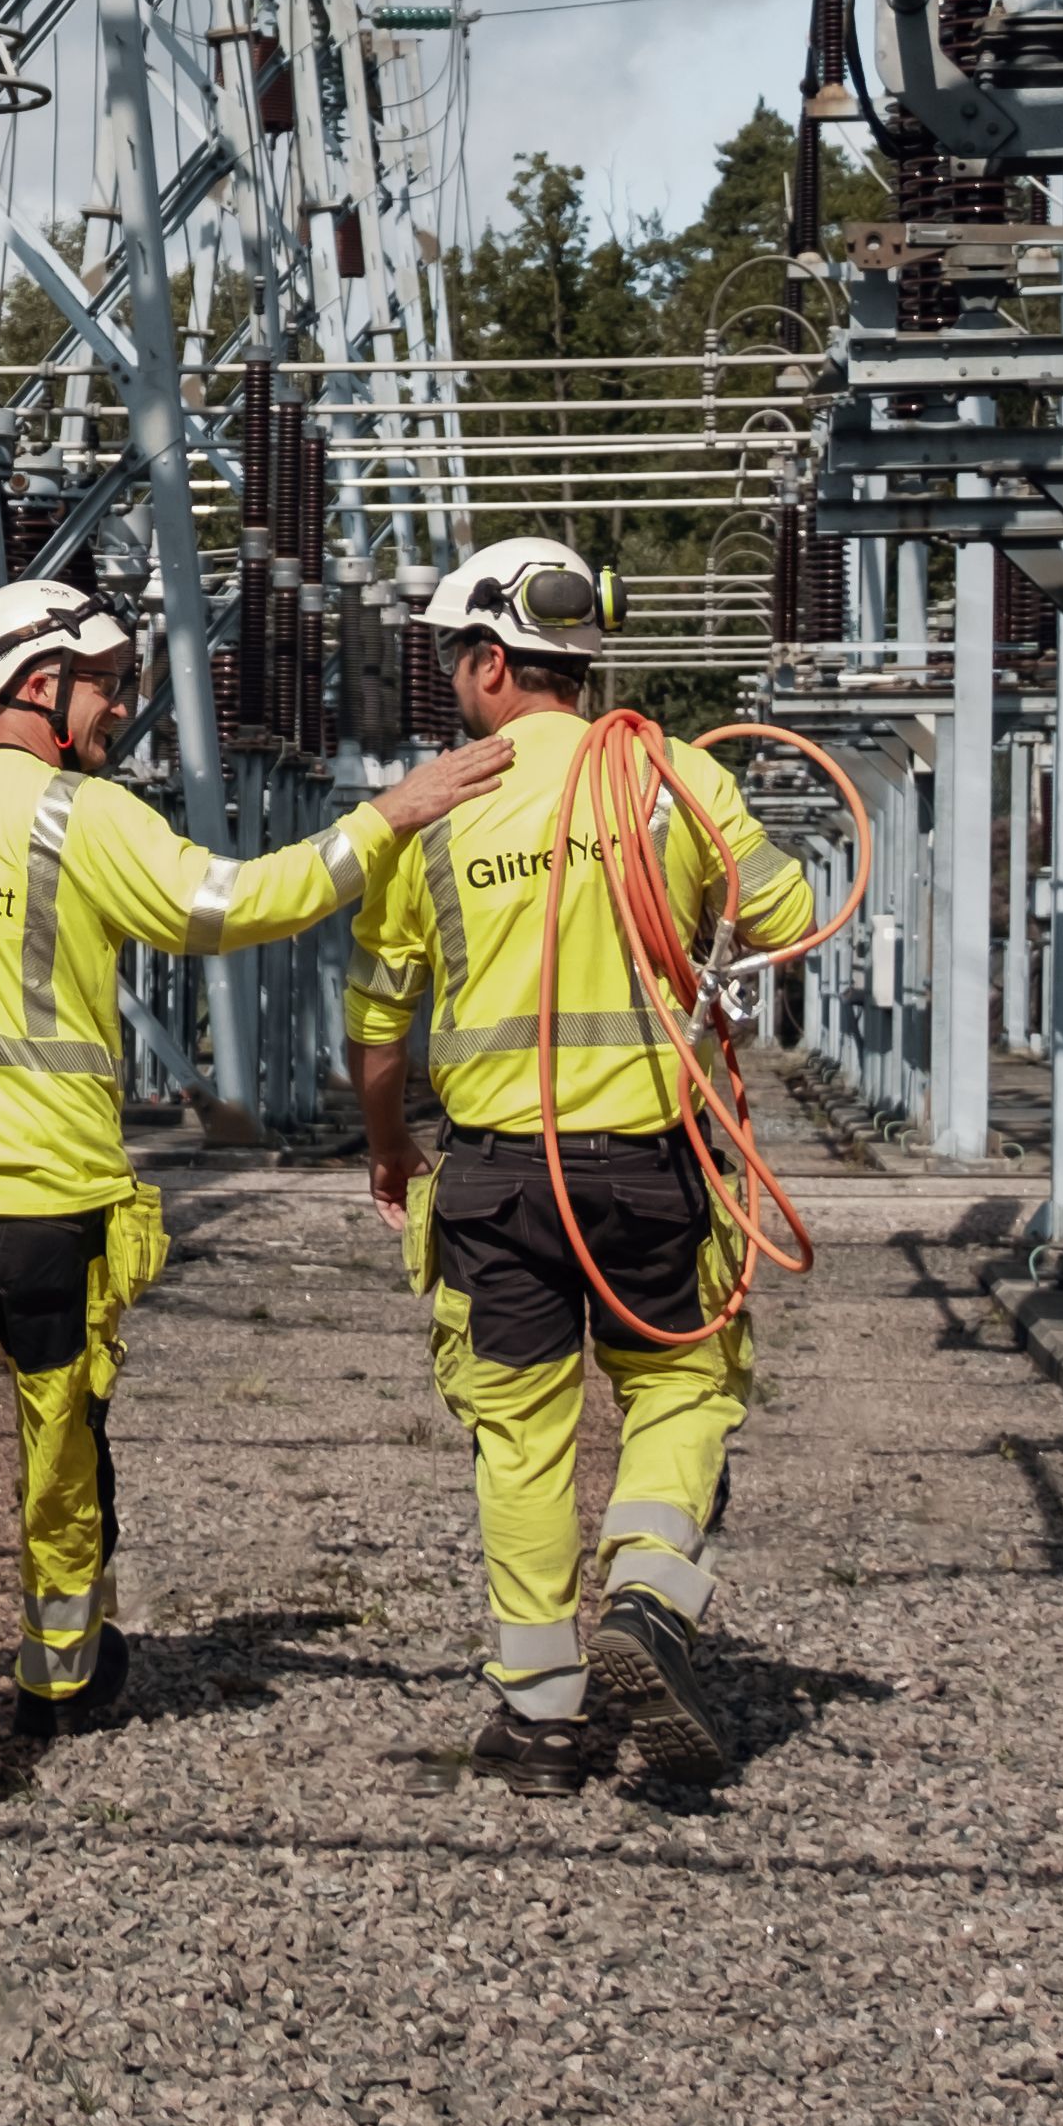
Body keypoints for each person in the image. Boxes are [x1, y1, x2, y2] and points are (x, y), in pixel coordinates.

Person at [0, 579, 510, 1822]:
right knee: (60, 1446)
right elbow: (234, 903)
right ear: (41, 687)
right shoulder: (78, 816)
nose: (120, 707)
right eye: (105, 683)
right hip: (50, 1205)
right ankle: (61, 1669)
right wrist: (388, 819)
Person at [347, 534, 840, 1787]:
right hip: (651, 1164)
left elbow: (379, 1019)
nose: (457, 682)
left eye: (460, 658)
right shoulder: (669, 777)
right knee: (682, 1389)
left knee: (519, 1437)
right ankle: (645, 1599)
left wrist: (390, 1143)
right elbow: (788, 918)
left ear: (496, 660)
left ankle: (542, 1718)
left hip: (499, 1174)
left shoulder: (438, 807)